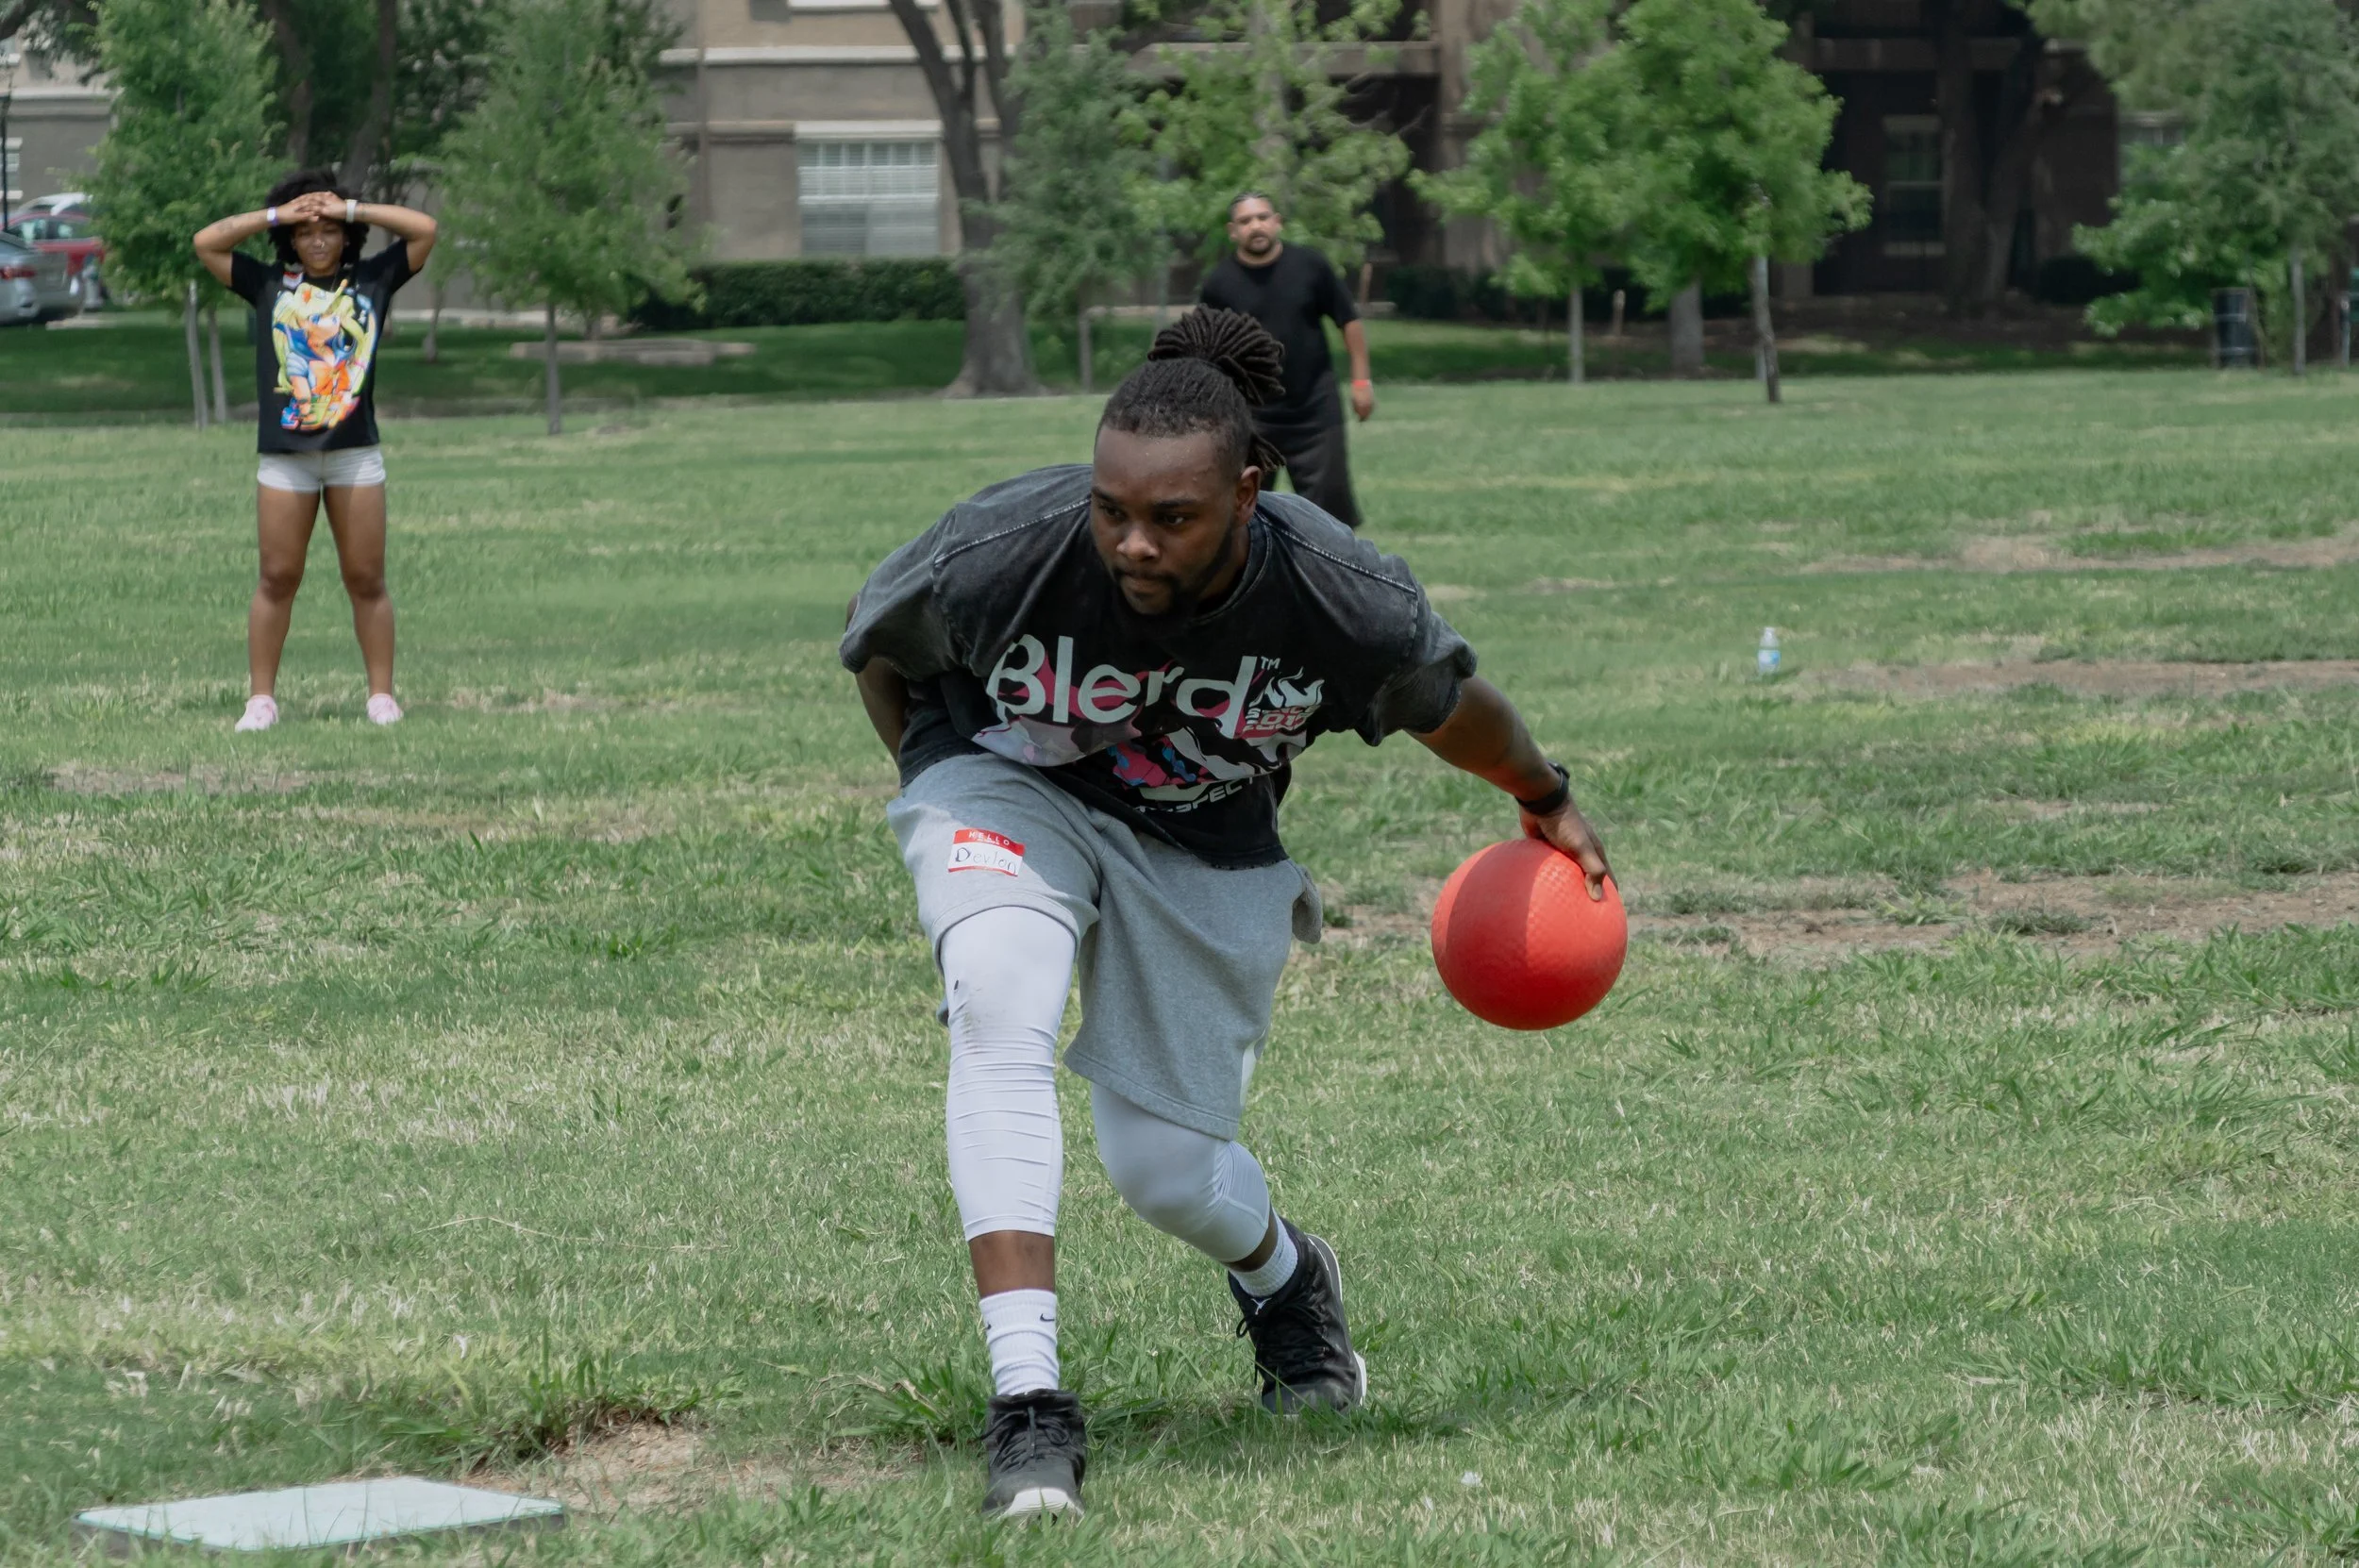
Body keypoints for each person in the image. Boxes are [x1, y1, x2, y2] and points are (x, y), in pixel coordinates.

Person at [840, 309, 1612, 1522]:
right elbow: (881, 650)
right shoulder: (1005, 547)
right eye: (1111, 509)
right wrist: (941, 796)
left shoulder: (1333, 590)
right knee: (997, 996)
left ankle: (1285, 1276)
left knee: (1163, 1174)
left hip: (1196, 838)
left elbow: (1449, 704)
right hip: (1009, 784)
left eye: (1171, 518)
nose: (1131, 543)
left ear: (1249, 492)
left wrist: (1544, 795)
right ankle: (1030, 1409)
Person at [193, 169, 437, 732]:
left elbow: (424, 230)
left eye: (329, 230)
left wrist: (350, 207)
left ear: (346, 236)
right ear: (292, 241)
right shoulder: (267, 284)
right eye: (308, 232)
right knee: (278, 576)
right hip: (286, 457)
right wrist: (281, 213)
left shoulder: (372, 280)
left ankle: (381, 697)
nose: (319, 239)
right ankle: (261, 701)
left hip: (354, 455)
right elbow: (207, 241)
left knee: (366, 578)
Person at [1196, 192, 1373, 530]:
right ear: (1233, 231)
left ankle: (1329, 579)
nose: (1256, 226)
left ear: (1277, 222)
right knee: (1243, 517)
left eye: (1262, 217)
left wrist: (1362, 382)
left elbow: (1349, 321)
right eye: (1246, 221)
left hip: (1314, 411)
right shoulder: (1219, 283)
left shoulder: (1310, 266)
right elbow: (1208, 348)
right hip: (1251, 418)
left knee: (1330, 520)